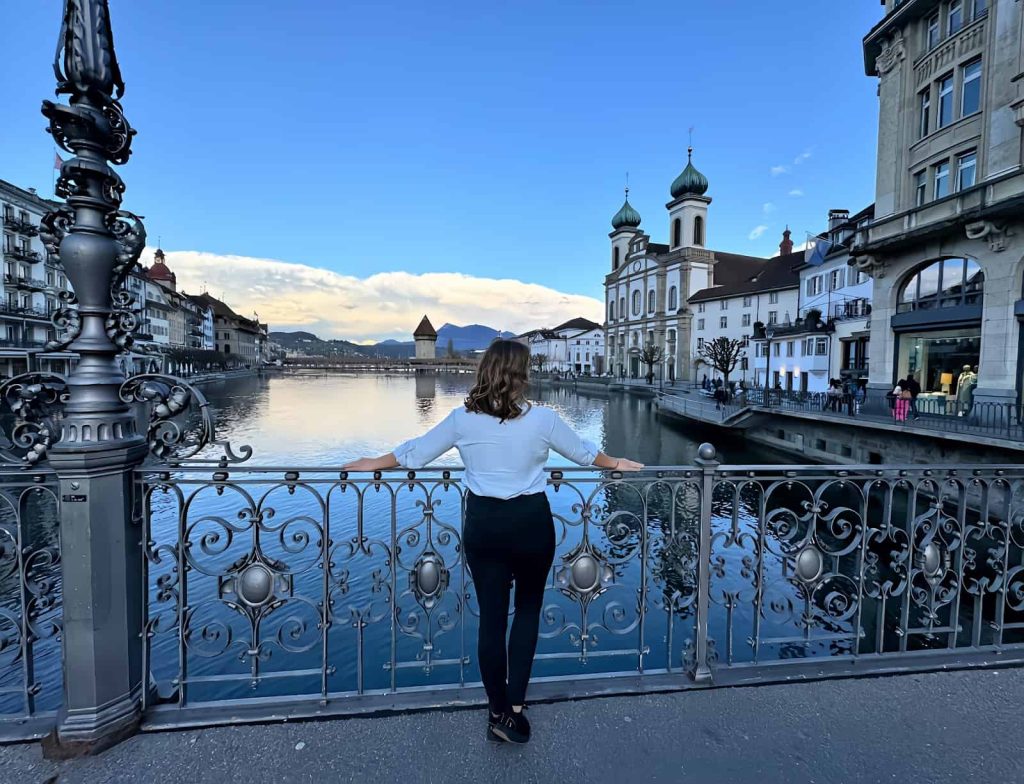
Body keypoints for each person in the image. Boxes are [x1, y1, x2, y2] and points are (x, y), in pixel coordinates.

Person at [341, 339, 644, 744]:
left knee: (492, 618)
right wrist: (617, 463)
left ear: (485, 372)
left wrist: (371, 462)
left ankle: (496, 711)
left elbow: (416, 452)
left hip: (484, 525)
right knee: (529, 610)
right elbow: (585, 453)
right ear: (520, 376)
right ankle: (514, 710)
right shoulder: (543, 419)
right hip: (530, 523)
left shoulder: (462, 420)